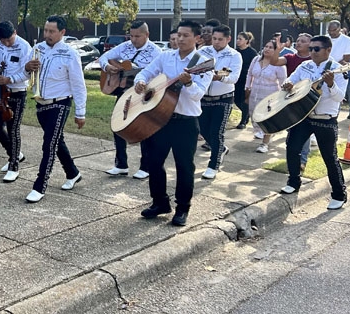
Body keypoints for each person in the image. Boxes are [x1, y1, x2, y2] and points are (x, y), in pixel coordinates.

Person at [134, 20, 212, 226]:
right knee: (153, 162)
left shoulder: (203, 63)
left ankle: (182, 209)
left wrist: (188, 83)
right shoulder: (166, 56)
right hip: (160, 119)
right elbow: (145, 73)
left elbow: (197, 96)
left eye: (186, 35)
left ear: (197, 38)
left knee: (184, 167)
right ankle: (160, 203)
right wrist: (140, 82)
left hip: (185, 122)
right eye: (179, 34)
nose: (180, 38)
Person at [279, 35, 348, 211]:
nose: (312, 52)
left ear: (328, 50)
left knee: (329, 157)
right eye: (310, 49)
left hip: (325, 118)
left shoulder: (339, 69)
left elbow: (340, 97)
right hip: (304, 116)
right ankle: (293, 181)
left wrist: (331, 84)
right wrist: (287, 85)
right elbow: (291, 80)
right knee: (292, 147)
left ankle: (339, 194)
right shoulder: (305, 65)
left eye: (316, 49)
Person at [23, 15, 87, 203]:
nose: (47, 34)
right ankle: (73, 173)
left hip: (60, 103)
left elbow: (78, 84)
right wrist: (28, 67)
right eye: (45, 30)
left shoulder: (70, 53)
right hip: (41, 103)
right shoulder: (38, 49)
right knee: (57, 142)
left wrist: (80, 112)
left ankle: (40, 185)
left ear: (62, 32)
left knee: (49, 144)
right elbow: (25, 73)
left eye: (52, 31)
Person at [99, 20, 162, 179]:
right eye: (131, 36)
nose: (133, 39)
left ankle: (145, 167)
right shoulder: (125, 46)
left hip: (143, 93)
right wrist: (108, 67)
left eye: (137, 36)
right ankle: (121, 164)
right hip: (123, 91)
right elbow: (104, 58)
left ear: (147, 35)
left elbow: (160, 75)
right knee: (117, 125)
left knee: (143, 129)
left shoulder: (156, 52)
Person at [0, 21, 33, 182]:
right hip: (1, 91)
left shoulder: (24, 47)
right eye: (3, 40)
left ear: (15, 32)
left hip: (17, 92)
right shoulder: (0, 45)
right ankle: (14, 153)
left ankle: (14, 165)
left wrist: (10, 78)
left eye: (9, 39)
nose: (6, 43)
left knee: (13, 128)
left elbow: (27, 73)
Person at [197, 25, 243, 179]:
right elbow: (193, 67)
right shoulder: (203, 51)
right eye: (214, 38)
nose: (216, 42)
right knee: (203, 130)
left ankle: (213, 165)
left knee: (217, 132)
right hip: (203, 97)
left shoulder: (234, 55)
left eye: (220, 39)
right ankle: (221, 149)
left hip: (223, 98)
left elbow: (233, 75)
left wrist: (217, 74)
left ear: (228, 39)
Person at [269, 33, 314, 167]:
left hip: (308, 99)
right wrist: (278, 49)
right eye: (298, 40)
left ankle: (302, 160)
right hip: (290, 98)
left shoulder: (313, 60)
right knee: (292, 130)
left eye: (303, 41)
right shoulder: (290, 57)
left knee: (304, 131)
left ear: (310, 45)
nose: (298, 43)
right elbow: (274, 61)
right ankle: (293, 157)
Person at [246, 40, 287, 153]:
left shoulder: (279, 65)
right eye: (266, 46)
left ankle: (265, 143)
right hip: (255, 94)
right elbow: (249, 74)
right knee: (254, 116)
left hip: (270, 95)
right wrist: (247, 87)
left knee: (268, 119)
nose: (267, 49)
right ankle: (264, 133)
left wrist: (282, 98)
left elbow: (284, 81)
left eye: (271, 47)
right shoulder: (256, 60)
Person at [234, 32, 258, 129]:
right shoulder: (235, 52)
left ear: (247, 41)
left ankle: (243, 121)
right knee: (236, 100)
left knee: (244, 100)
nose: (238, 41)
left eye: (240, 39)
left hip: (246, 79)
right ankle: (246, 114)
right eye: (237, 39)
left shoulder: (252, 52)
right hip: (236, 79)